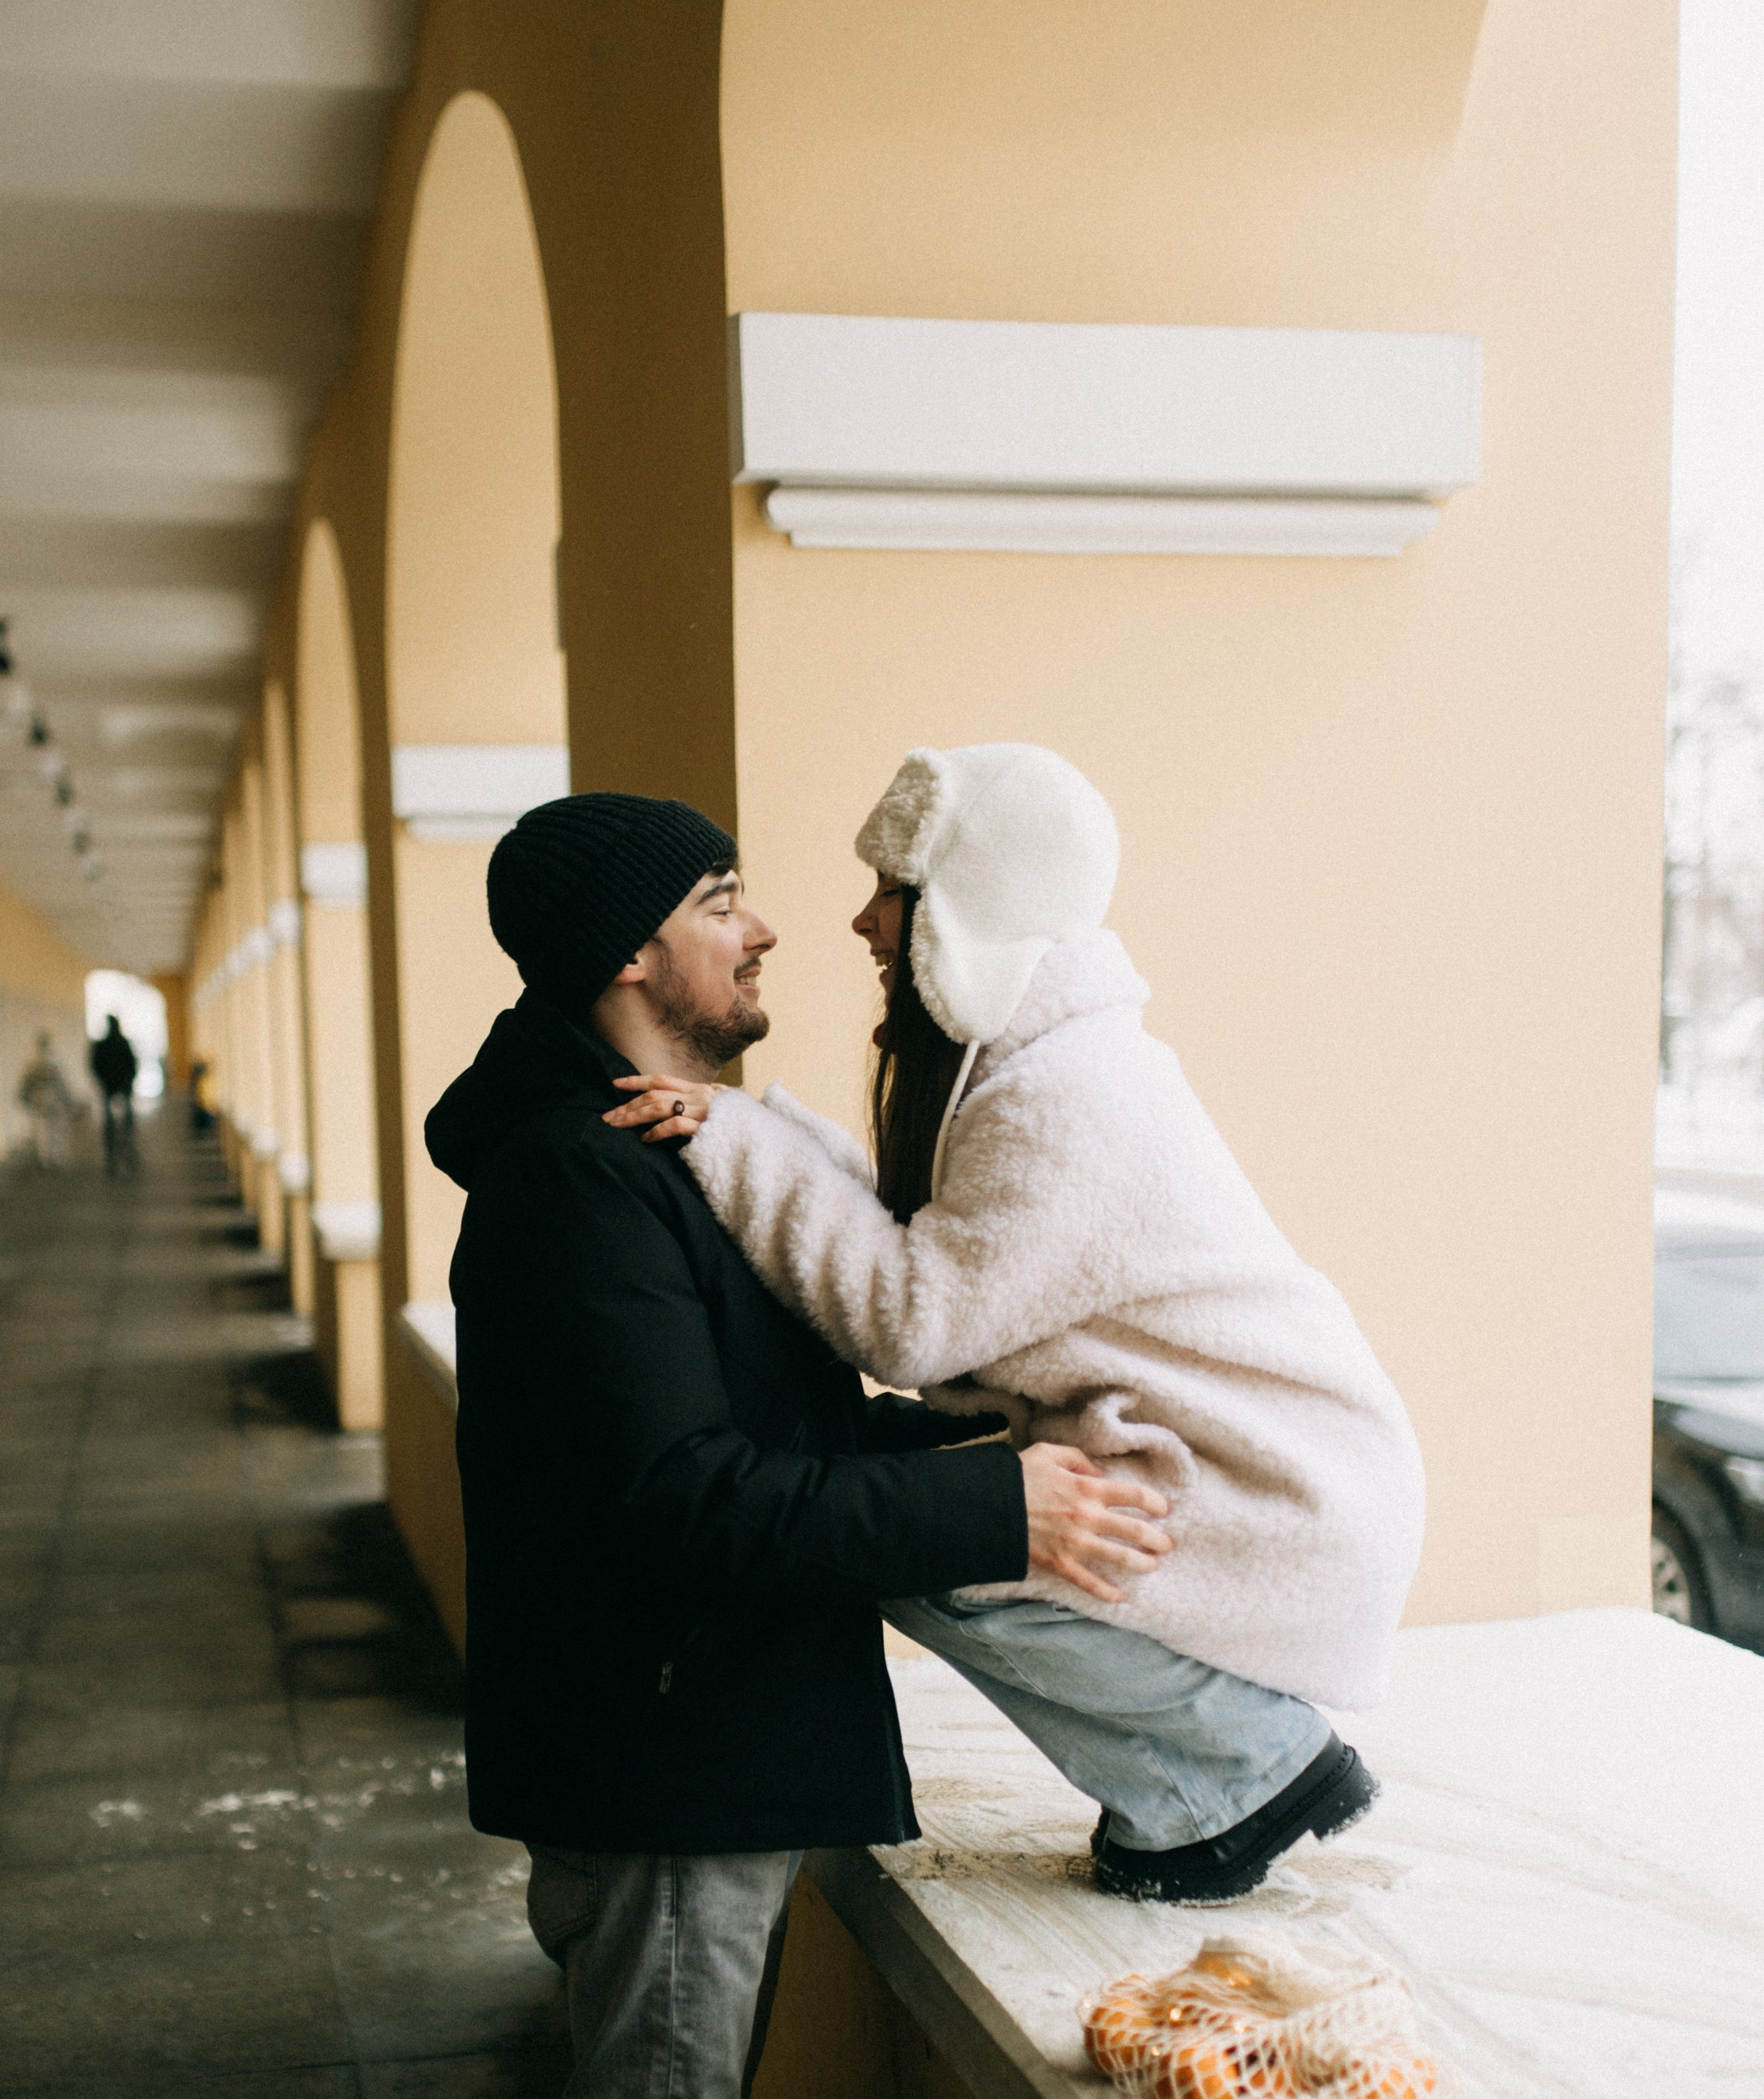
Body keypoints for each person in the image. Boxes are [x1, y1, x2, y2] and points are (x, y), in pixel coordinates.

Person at [423, 789, 1171, 2099]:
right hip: (666, 1763)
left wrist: (987, 1449)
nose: (761, 931)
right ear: (628, 956)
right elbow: (687, 1501)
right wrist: (999, 1512)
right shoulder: (580, 1187)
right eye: (721, 898)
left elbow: (776, 1429)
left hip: (688, 1738)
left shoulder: (650, 1154)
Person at [606, 741, 1427, 1907]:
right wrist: (757, 1140)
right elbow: (933, 1249)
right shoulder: (1039, 1061)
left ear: (968, 904)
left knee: (939, 1550)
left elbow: (910, 1321)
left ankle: (1244, 1768)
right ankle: (1206, 1779)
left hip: (1276, 1485)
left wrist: (735, 1139)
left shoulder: (1066, 1091)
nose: (862, 921)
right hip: (1233, 1455)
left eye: (893, 890)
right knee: (931, 1523)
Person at [15, 1032, 75, 1167]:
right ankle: (57, 1157)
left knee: (43, 1129)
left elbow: (26, 1083)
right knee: (58, 1129)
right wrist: (68, 1099)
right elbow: (63, 1084)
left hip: (40, 1100)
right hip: (56, 1099)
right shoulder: (56, 1062)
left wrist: (24, 1097)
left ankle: (46, 1158)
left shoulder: (33, 1063)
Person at [88, 1014, 139, 1175]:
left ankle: (114, 1153)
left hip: (111, 1087)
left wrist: (104, 1081)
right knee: (123, 1120)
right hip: (119, 1086)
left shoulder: (104, 1045)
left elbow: (95, 1065)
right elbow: (132, 1064)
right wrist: (127, 1081)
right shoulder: (122, 1043)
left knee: (112, 1122)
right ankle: (125, 1149)